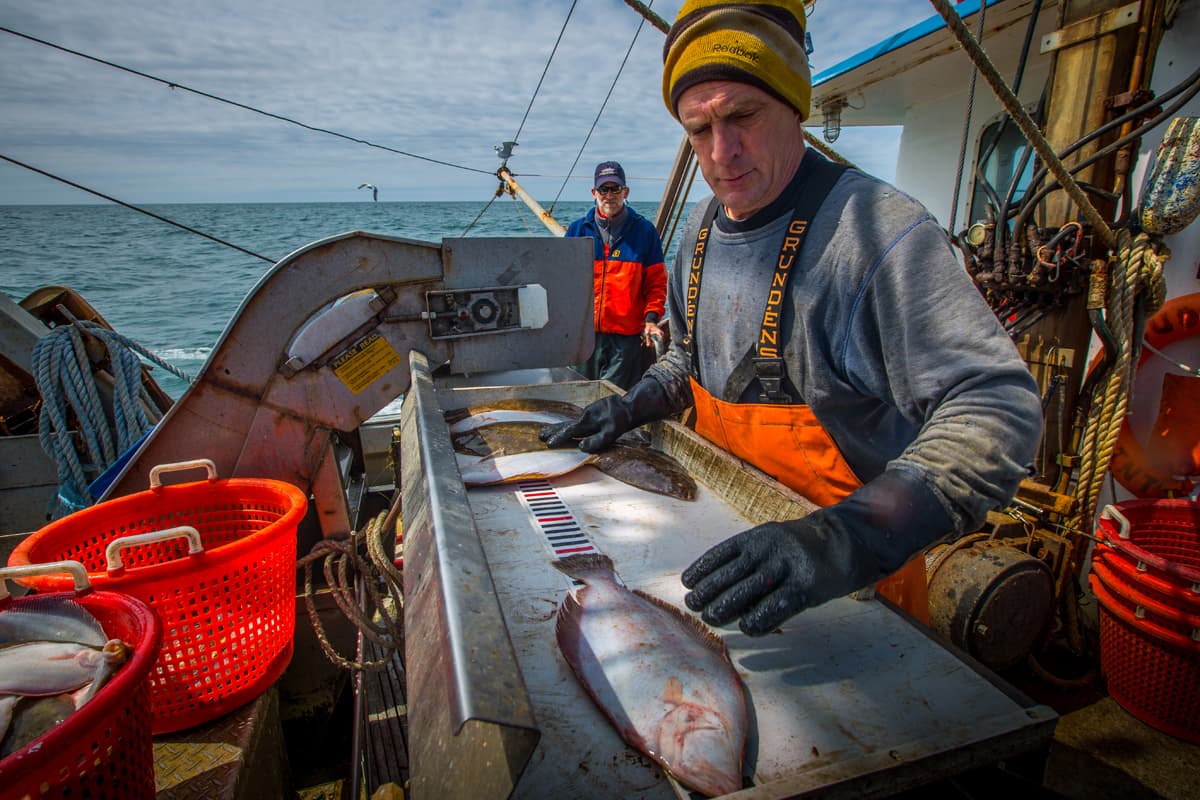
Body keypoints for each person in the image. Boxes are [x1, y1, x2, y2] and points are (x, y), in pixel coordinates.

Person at [543, 0, 1042, 635]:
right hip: (721, 554)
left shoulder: (876, 234)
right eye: (698, 129)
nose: (722, 152)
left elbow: (997, 404)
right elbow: (687, 359)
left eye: (743, 116)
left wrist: (842, 541)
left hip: (854, 595)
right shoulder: (696, 228)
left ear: (795, 106)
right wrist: (635, 402)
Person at [565, 161, 668, 390]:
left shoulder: (644, 232)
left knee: (615, 404)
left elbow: (656, 284)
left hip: (626, 340)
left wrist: (651, 320)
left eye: (615, 189)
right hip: (584, 337)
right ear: (594, 193)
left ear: (625, 192)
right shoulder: (577, 231)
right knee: (578, 396)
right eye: (604, 189)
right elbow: (563, 282)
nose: (609, 195)